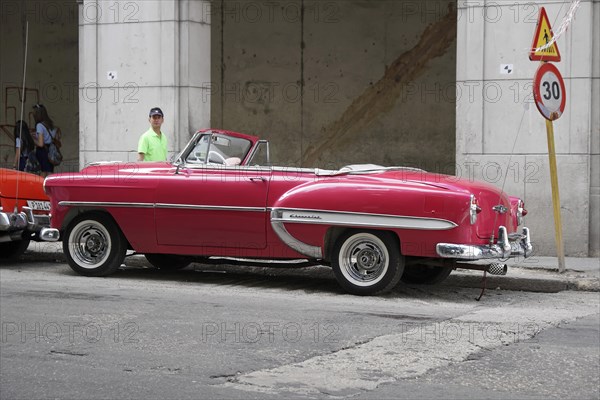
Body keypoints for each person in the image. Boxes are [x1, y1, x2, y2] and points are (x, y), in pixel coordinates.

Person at [32, 104, 61, 177]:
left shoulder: (39, 125)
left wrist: (33, 139)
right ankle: (50, 188)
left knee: (43, 172)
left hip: (42, 151)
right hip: (51, 150)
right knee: (50, 171)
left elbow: (41, 143)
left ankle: (41, 188)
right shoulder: (50, 124)